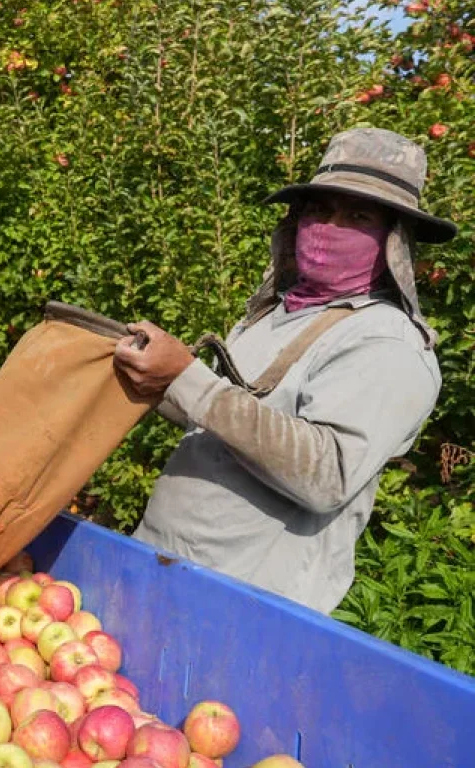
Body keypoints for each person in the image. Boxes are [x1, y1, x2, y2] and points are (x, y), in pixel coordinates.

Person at [111, 127, 458, 615]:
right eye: (318, 210)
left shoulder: (386, 342)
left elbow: (328, 472)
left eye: (357, 216)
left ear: (393, 241)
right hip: (164, 569)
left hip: (243, 608)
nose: (328, 227)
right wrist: (153, 377)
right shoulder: (277, 315)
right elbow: (221, 420)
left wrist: (187, 377)